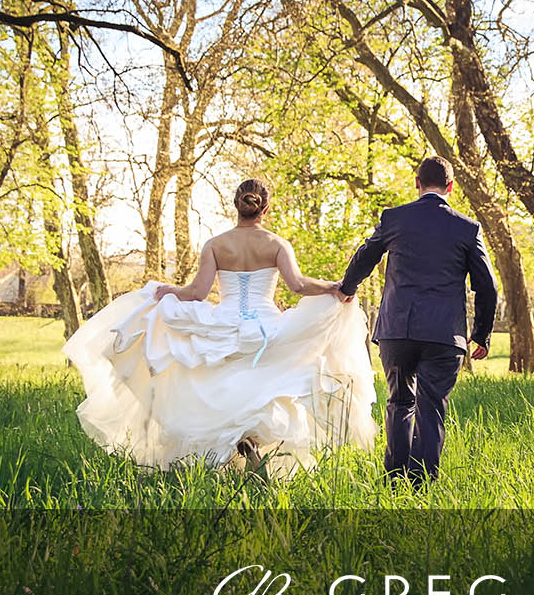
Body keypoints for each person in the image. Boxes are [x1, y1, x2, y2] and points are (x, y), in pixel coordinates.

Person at [63, 178, 376, 474]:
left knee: (224, 387)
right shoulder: (277, 244)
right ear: (265, 209)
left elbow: (196, 293)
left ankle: (235, 442)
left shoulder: (215, 244)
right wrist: (332, 288)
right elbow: (298, 285)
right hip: (266, 329)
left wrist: (171, 292)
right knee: (266, 387)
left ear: (236, 206)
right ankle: (249, 439)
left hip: (223, 324)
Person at [333, 156, 497, 485]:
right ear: (451, 187)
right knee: (432, 405)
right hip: (444, 334)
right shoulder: (467, 228)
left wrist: (347, 288)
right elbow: (488, 286)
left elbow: (366, 255)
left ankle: (395, 480)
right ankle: (421, 486)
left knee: (399, 401)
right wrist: (481, 335)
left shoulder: (395, 218)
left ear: (417, 184)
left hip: (397, 330)